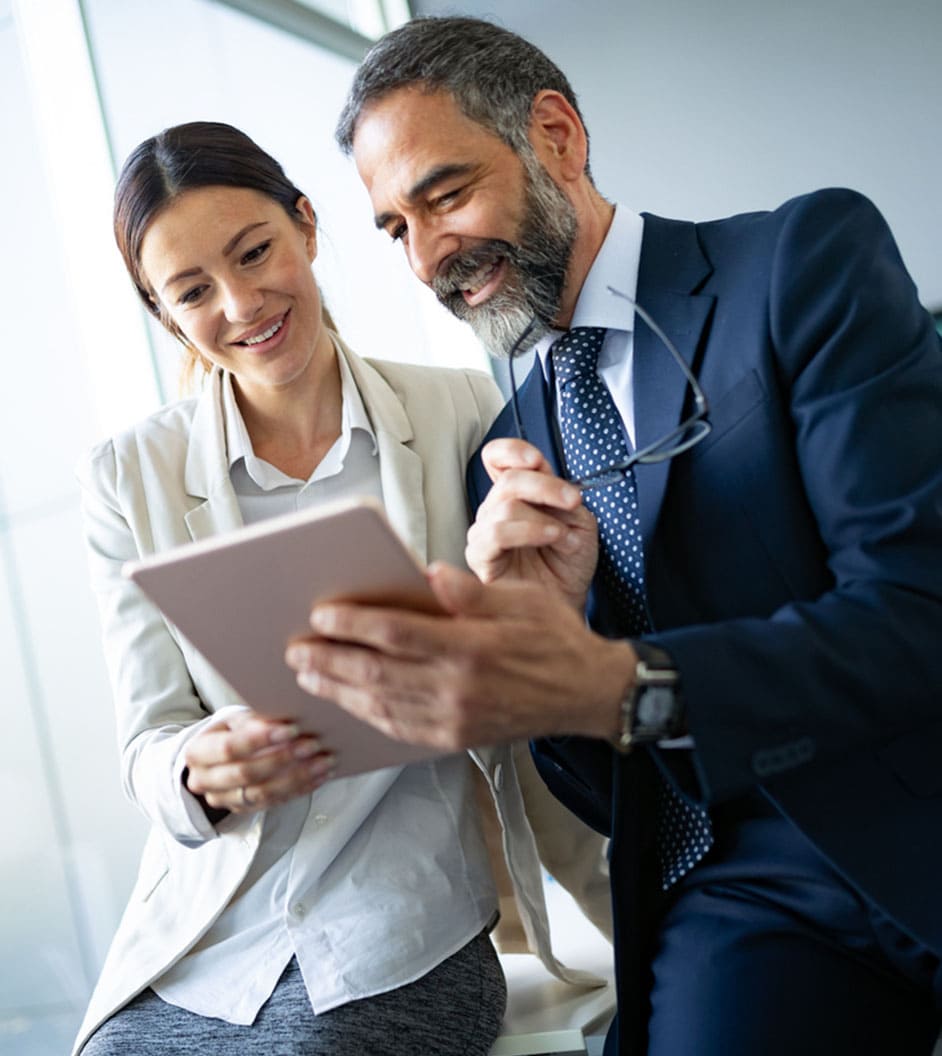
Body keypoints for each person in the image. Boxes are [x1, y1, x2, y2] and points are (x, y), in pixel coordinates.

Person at [283, 15, 942, 1056]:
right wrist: (534, 629)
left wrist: (619, 680)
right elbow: (604, 787)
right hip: (739, 894)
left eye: (446, 195)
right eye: (396, 228)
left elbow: (922, 613)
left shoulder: (798, 264)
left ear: (555, 136)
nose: (427, 259)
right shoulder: (507, 450)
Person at [72, 120, 612, 1056]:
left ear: (308, 225)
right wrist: (199, 771)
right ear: (164, 314)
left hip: (401, 929)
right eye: (194, 291)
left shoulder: (460, 413)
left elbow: (551, 642)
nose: (242, 304)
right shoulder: (130, 477)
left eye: (255, 252)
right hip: (212, 940)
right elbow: (146, 745)